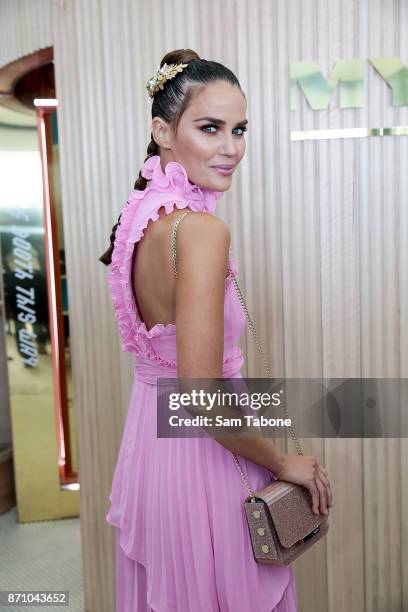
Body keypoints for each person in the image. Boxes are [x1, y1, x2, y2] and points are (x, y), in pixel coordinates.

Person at [99, 48, 333, 612]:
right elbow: (202, 397)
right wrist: (282, 463)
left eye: (240, 129)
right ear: (162, 131)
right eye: (211, 128)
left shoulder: (139, 220)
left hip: (151, 457)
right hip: (203, 456)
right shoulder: (200, 231)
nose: (232, 148)